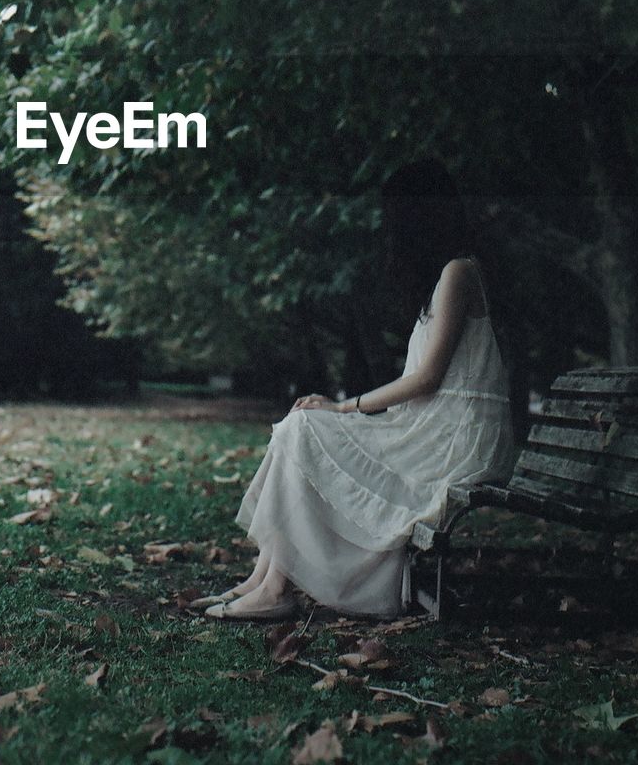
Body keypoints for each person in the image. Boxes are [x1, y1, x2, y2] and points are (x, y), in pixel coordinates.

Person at [194, 158, 517, 621]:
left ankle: (274, 587)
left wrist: (346, 409)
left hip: (454, 444)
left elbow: (426, 379)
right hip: (433, 429)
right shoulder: (442, 280)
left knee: (307, 425)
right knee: (299, 424)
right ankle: (264, 580)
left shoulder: (459, 272)